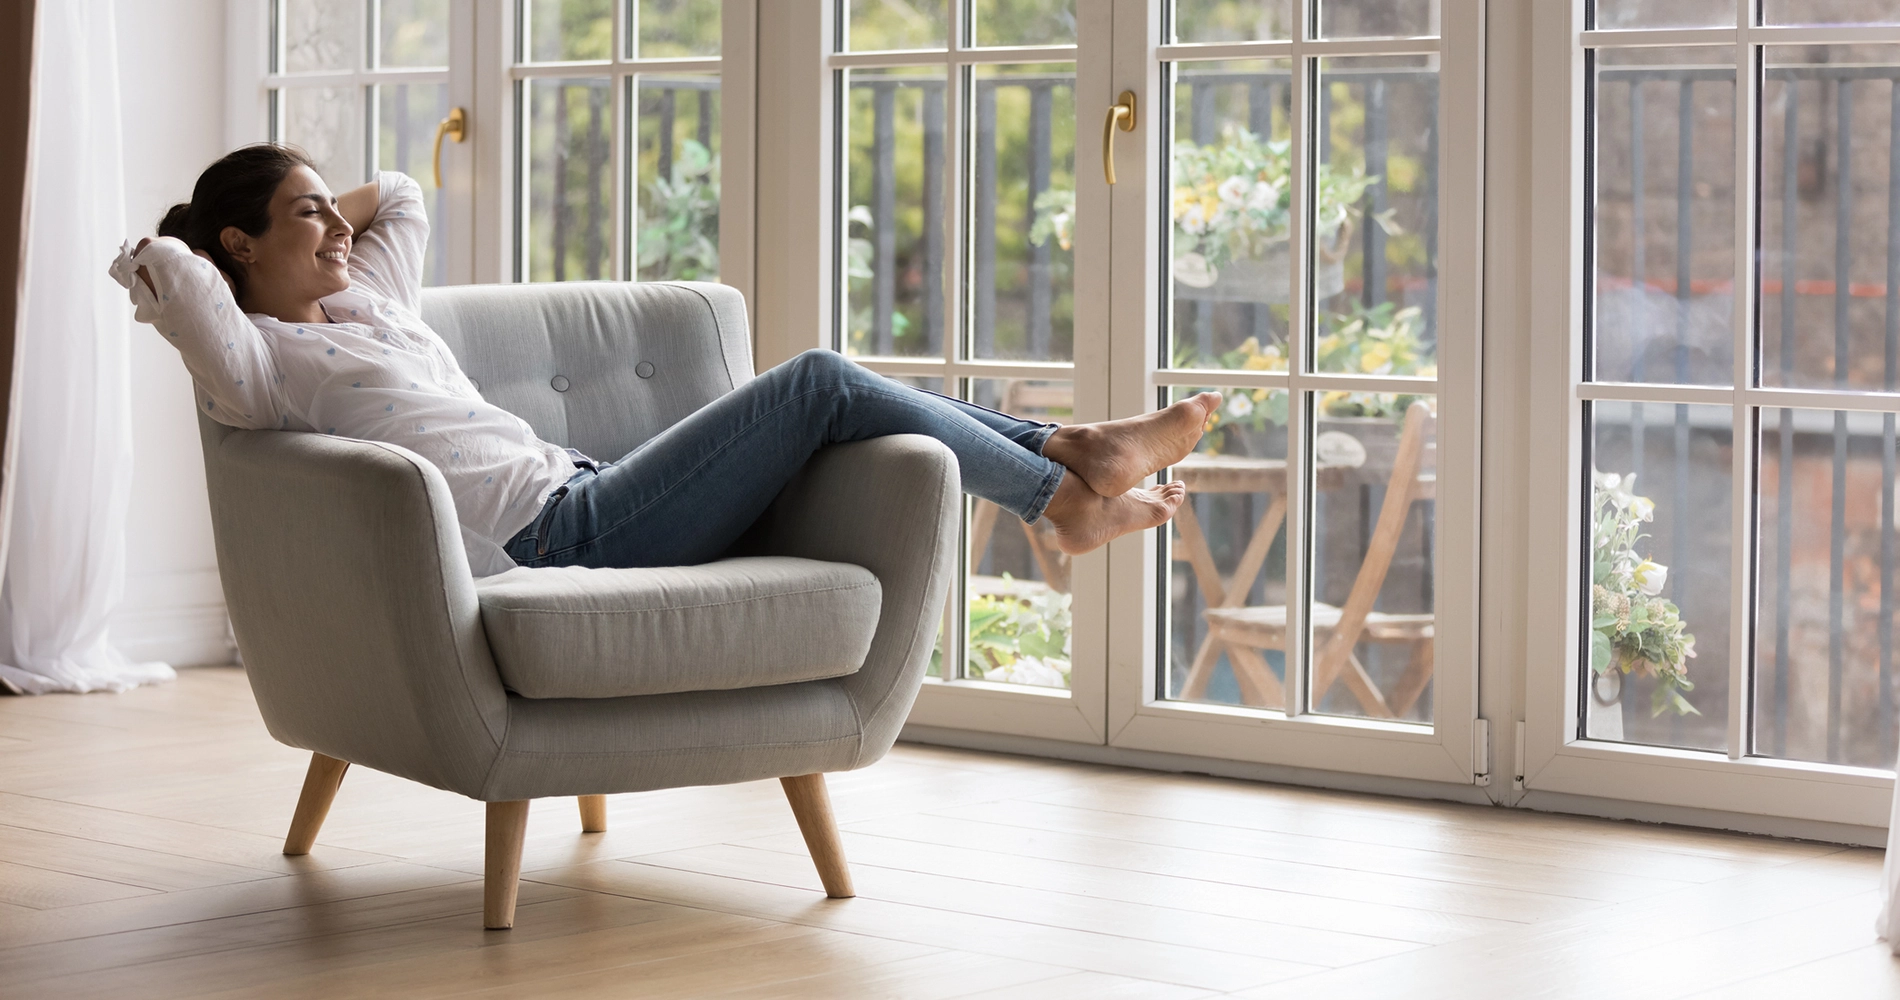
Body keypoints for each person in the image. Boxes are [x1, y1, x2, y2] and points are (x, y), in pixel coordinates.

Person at [112, 144, 1218, 578]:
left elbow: (398, 192)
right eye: (305, 214)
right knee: (820, 379)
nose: (336, 226)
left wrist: (310, 219)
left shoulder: (370, 302)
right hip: (558, 537)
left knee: (839, 401)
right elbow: (163, 269)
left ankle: (1070, 457)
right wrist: (215, 241)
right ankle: (1061, 484)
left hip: (588, 489)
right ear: (238, 247)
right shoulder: (260, 363)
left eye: (328, 208)